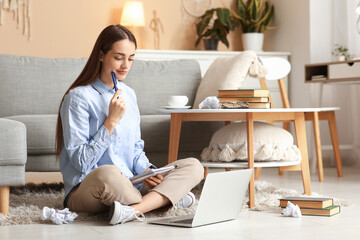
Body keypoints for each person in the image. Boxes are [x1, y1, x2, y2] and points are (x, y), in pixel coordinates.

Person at [55, 24, 204, 225]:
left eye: (131, 58)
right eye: (118, 57)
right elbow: (80, 162)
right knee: (108, 173)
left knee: (194, 166)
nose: (125, 65)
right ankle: (165, 199)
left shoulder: (129, 94)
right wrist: (111, 121)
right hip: (90, 186)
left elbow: (135, 150)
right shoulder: (78, 98)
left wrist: (148, 172)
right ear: (101, 56)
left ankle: (132, 210)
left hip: (131, 182)